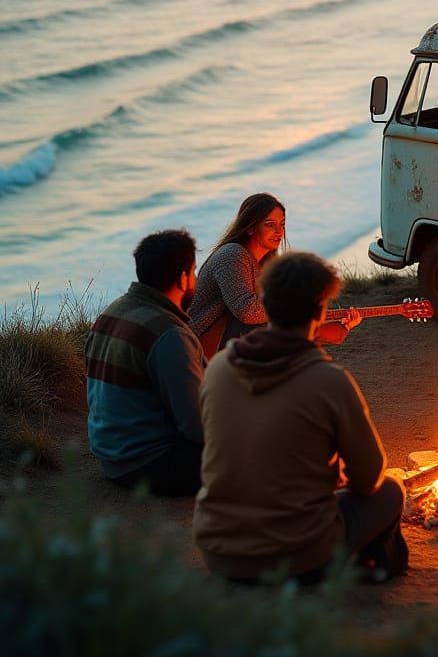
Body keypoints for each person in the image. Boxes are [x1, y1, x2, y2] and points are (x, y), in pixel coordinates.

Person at [193, 251, 408, 585]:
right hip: (294, 556)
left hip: (219, 551)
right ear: (321, 311)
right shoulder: (329, 381)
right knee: (391, 491)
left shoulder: (217, 369)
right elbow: (369, 479)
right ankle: (365, 569)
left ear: (265, 302)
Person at [85, 229, 204, 496]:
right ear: (184, 278)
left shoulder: (113, 311)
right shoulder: (169, 335)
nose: (196, 279)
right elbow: (198, 429)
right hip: (149, 464)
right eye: (194, 272)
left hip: (111, 455)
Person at [189, 193, 360, 358]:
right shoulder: (232, 255)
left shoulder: (266, 262)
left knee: (287, 324)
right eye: (270, 224)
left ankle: (332, 332)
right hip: (201, 343)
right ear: (250, 227)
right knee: (275, 324)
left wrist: (333, 320)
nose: (279, 232)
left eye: (282, 224)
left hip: (229, 339)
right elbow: (248, 312)